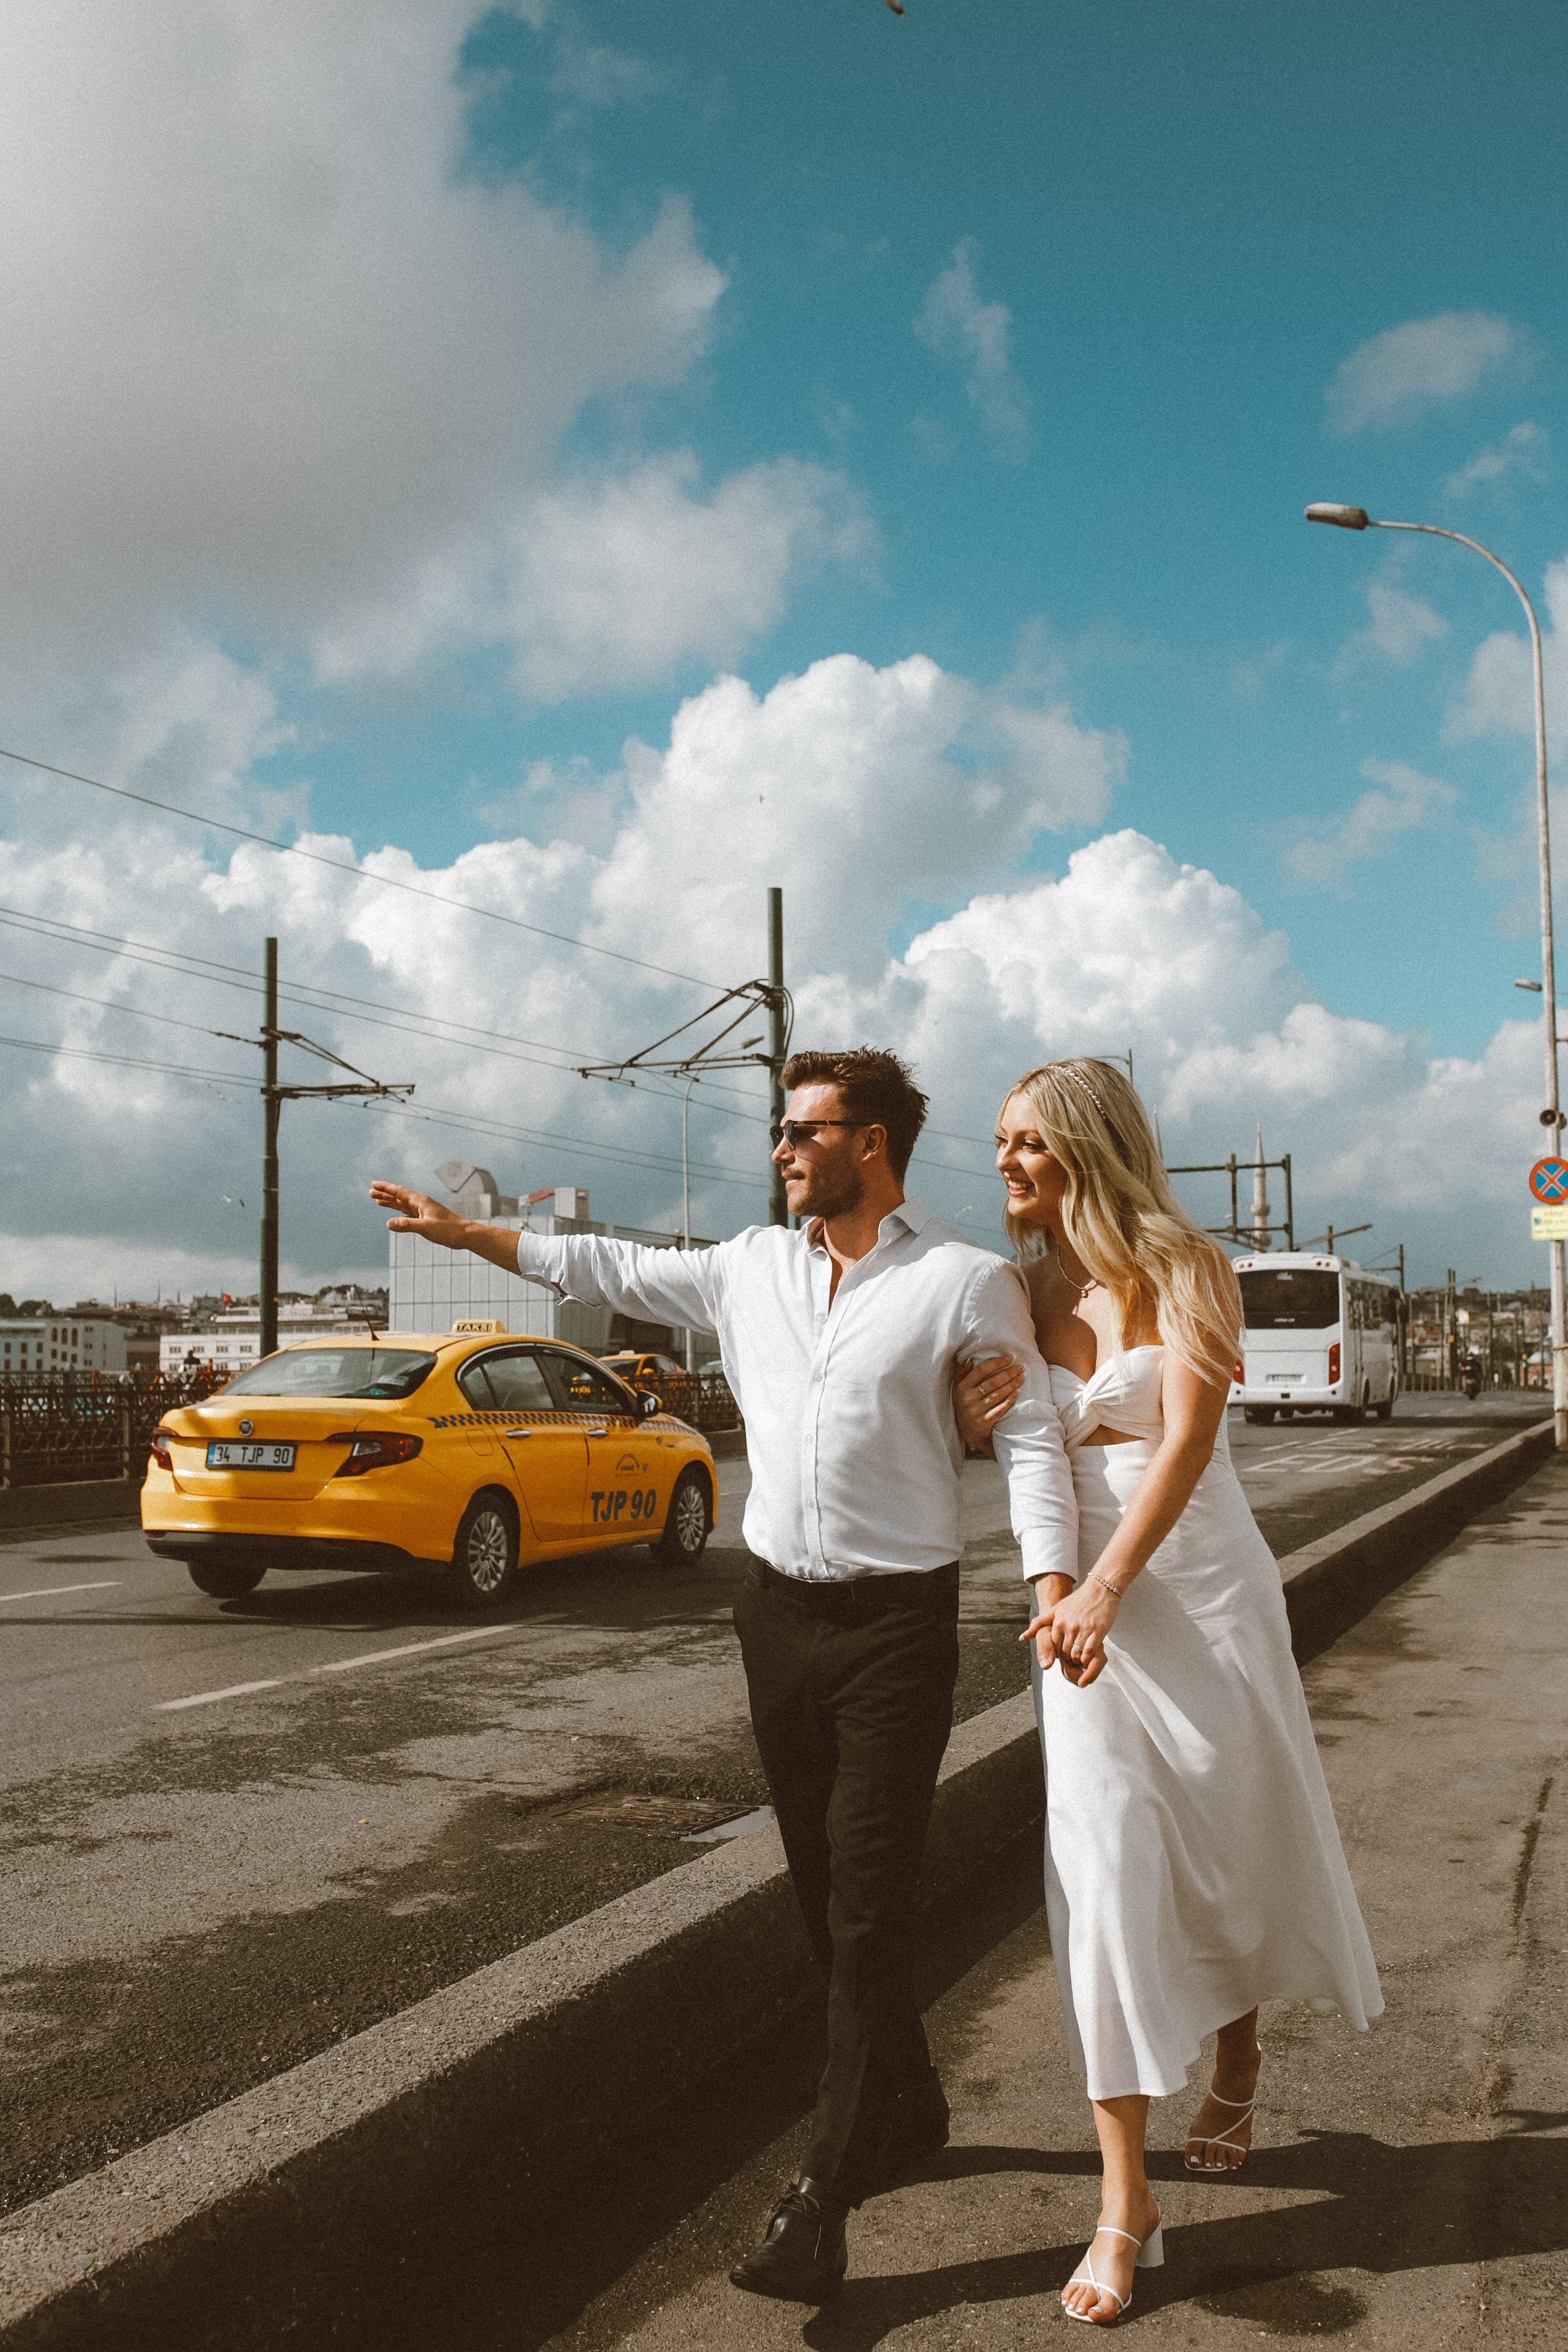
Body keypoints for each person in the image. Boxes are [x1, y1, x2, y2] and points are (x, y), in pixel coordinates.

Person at [371, 1047, 1077, 2305]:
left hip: (895, 1628)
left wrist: (1054, 1585)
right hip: (778, 1619)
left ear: (870, 1143)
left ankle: (824, 2194)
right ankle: (910, 2103)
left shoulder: (962, 1280)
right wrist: (467, 1233)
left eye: (804, 1131)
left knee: (866, 1904)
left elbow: (1025, 1439)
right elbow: (602, 1265)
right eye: (781, 1131)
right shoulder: (750, 1267)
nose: (782, 1150)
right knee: (821, 1893)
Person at [954, 1059, 1382, 2328]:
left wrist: (1107, 1584)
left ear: (1088, 1148)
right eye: (999, 1141)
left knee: (1226, 1839)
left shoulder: (1190, 1266)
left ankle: (1237, 2049)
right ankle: (1123, 2199)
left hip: (1197, 1592)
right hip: (1078, 1624)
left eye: (1027, 1141)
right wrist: (1048, 1569)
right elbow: (1025, 1451)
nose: (1004, 1163)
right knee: (1103, 1877)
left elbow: (1187, 1442)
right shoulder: (1020, 1289)